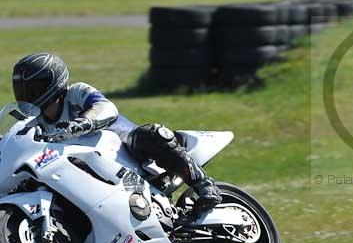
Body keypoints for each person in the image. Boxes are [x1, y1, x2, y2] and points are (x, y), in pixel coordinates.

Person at [11, 52, 221, 210]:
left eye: (34, 87)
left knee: (152, 133)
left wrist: (85, 122)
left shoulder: (76, 93)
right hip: (87, 167)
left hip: (125, 147)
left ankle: (204, 185)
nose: (27, 95)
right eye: (21, 90)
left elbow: (107, 108)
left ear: (52, 82)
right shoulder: (35, 122)